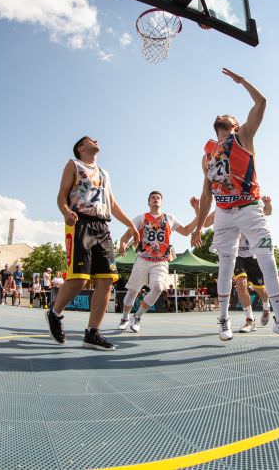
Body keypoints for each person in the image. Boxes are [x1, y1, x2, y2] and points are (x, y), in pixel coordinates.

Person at [191, 68, 279, 341]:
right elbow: (206, 193)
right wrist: (196, 228)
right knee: (226, 267)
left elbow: (261, 102)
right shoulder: (207, 155)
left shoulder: (243, 138)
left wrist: (242, 82)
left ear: (236, 125)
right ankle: (223, 320)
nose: (222, 115)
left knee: (267, 261)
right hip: (224, 213)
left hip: (250, 208)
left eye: (228, 117)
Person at [45, 135, 140, 351]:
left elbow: (112, 204)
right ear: (81, 148)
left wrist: (131, 226)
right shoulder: (74, 165)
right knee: (79, 280)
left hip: (103, 227)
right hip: (80, 223)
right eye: (91, 139)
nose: (96, 140)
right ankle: (54, 313)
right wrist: (66, 211)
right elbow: (61, 196)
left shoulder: (105, 173)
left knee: (107, 280)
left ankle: (92, 333)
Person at [117, 191, 197, 332]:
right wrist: (122, 244)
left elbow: (186, 231)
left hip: (161, 260)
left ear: (161, 201)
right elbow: (126, 236)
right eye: (153, 198)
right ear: (148, 202)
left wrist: (198, 212)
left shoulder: (169, 218)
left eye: (158, 198)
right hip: (143, 258)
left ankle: (137, 316)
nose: (155, 199)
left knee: (159, 287)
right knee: (132, 292)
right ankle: (124, 317)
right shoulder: (141, 218)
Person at [198, 195, 274, 333]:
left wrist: (268, 204)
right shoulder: (221, 210)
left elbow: (267, 212)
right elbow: (205, 223)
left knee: (261, 290)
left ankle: (266, 307)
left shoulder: (248, 205)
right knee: (240, 283)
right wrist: (196, 208)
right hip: (236, 254)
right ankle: (250, 320)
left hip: (252, 254)